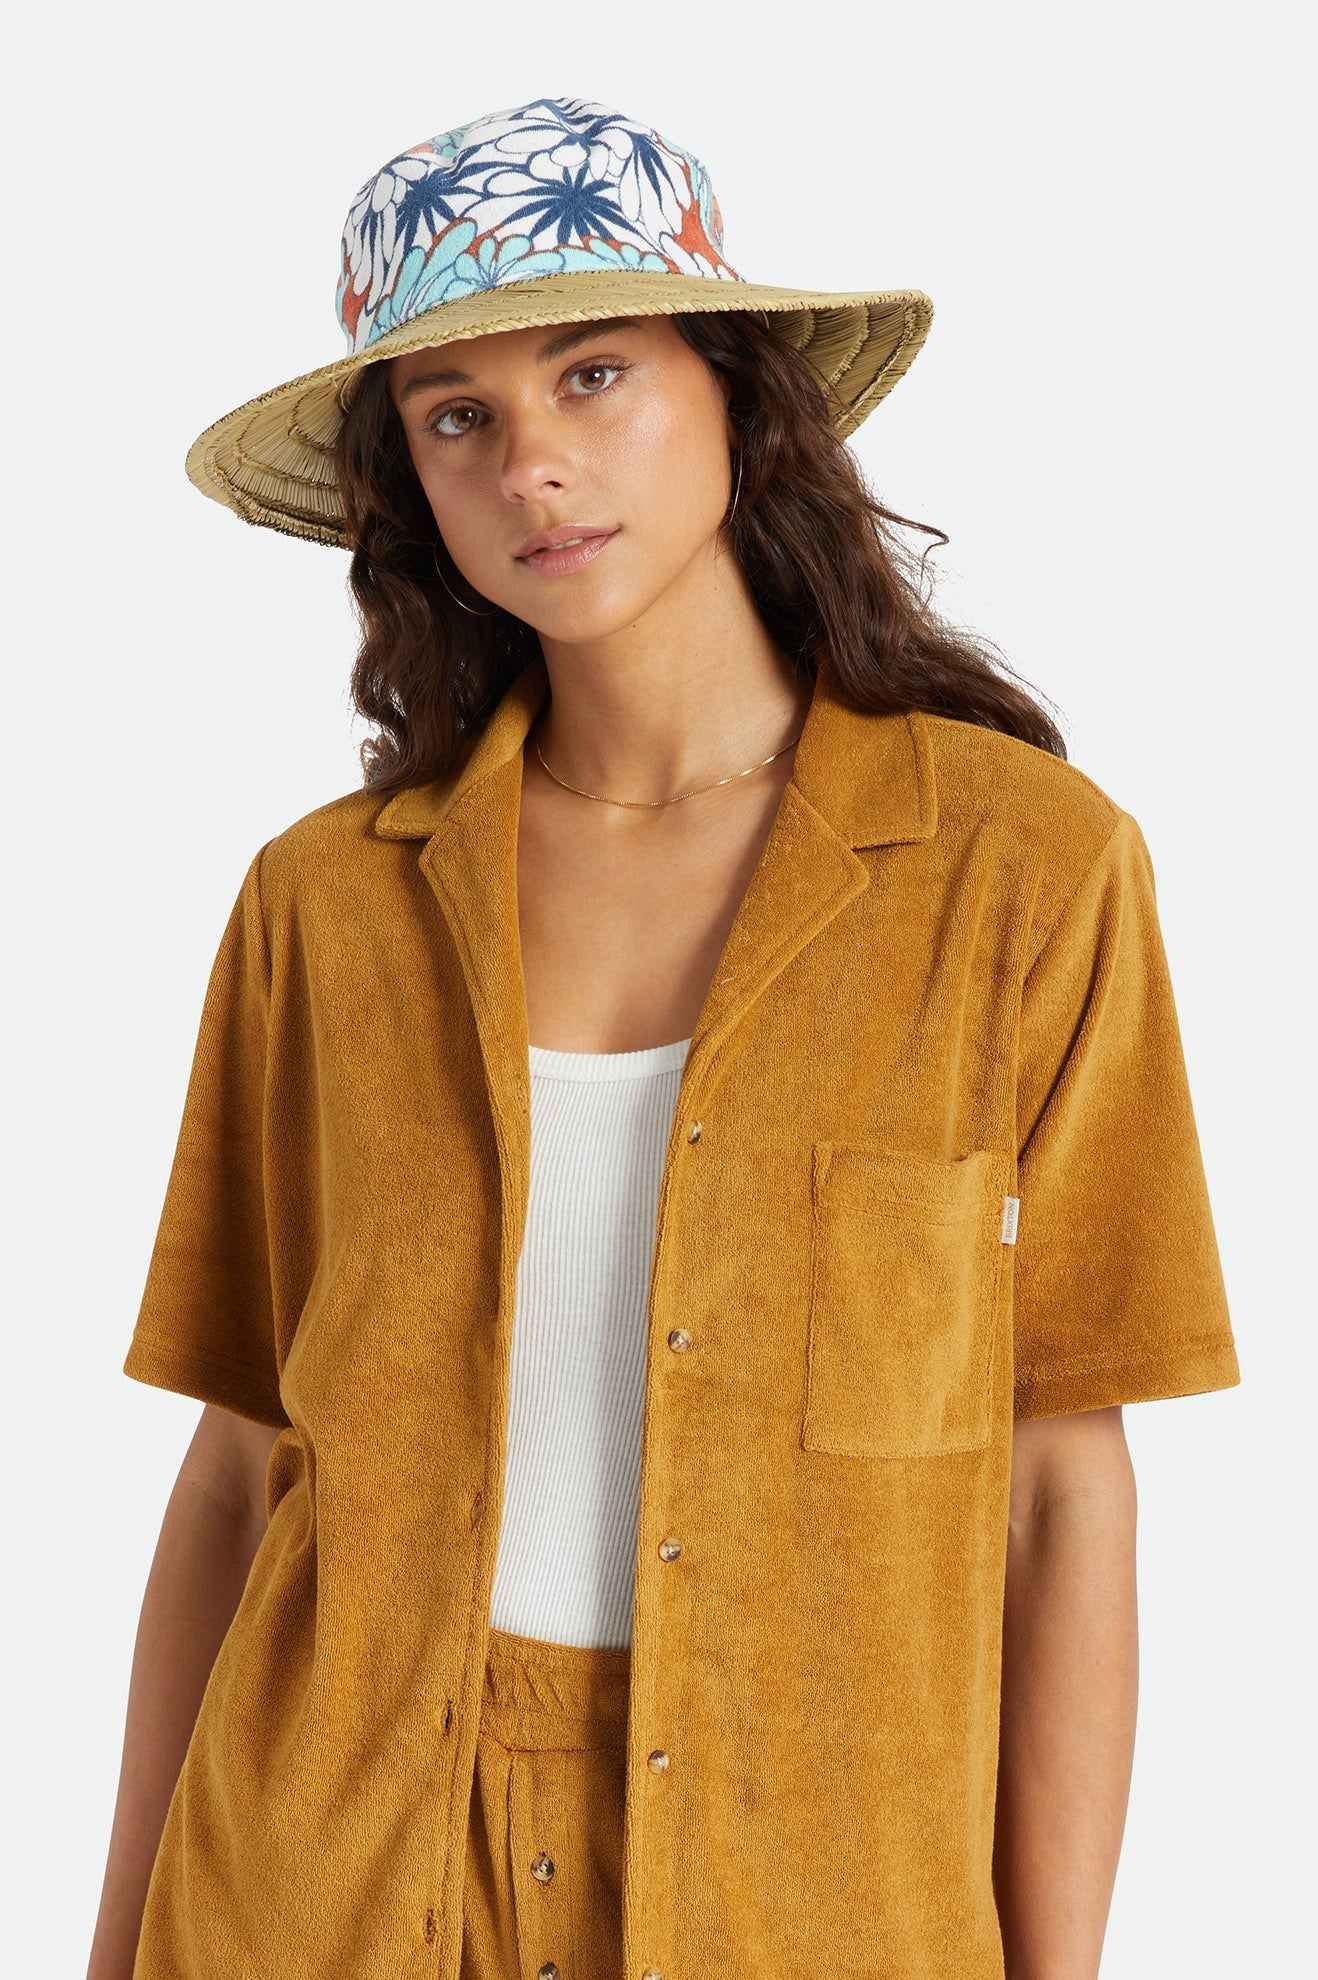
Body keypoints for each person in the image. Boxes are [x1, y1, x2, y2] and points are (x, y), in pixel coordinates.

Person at [89, 96, 1242, 1980]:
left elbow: (1059, 1489)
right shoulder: (323, 906)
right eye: (454, 415)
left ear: (737, 398)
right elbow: (235, 1470)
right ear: (409, 484)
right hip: (319, 1887)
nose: (532, 462)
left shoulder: (1021, 873)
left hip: (809, 1887)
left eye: (594, 373)